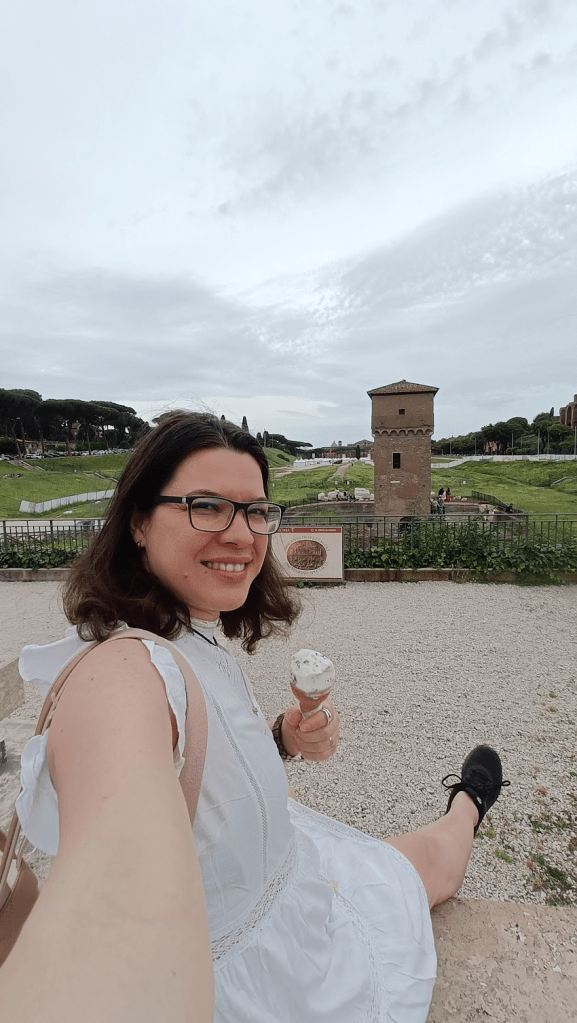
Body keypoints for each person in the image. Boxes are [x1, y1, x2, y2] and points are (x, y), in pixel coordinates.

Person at [8, 413, 509, 1023]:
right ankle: (470, 803)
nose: (242, 535)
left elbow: (195, 756)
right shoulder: (120, 672)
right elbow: (114, 886)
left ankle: (467, 804)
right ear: (138, 522)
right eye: (206, 506)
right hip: (265, 973)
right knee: (429, 866)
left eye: (256, 511)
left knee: (427, 864)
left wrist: (281, 737)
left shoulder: (189, 633)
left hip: (292, 881)